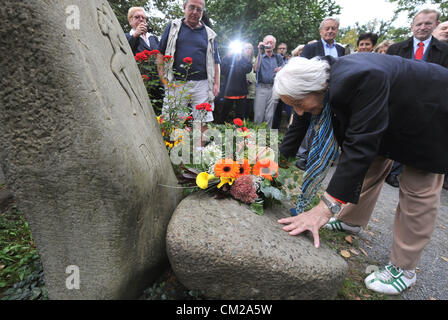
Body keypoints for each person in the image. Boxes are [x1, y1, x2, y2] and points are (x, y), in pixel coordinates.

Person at [275, 54, 448, 295]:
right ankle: (350, 220)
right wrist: (278, 163)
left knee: (419, 184)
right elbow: (299, 124)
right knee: (372, 163)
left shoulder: (358, 78)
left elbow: (359, 146)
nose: (299, 112)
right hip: (394, 110)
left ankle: (404, 268)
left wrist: (324, 208)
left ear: (316, 89)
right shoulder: (319, 79)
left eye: (298, 104)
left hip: (432, 111)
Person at [385, 9, 448, 187]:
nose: (422, 28)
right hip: (398, 104)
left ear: (435, 25)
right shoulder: (396, 49)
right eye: (418, 24)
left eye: (428, 24)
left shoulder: (444, 51)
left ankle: (400, 174)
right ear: (412, 26)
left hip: (429, 109)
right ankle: (392, 171)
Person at [156, 0, 221, 124]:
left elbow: (216, 61)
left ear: (202, 12)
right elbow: (160, 53)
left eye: (199, 9)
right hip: (176, 82)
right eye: (192, 7)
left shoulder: (209, 33)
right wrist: (163, 78)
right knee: (172, 119)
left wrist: (216, 84)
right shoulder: (173, 27)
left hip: (202, 83)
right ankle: (171, 144)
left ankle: (198, 144)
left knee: (202, 120)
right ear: (184, 7)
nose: (195, 12)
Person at [294, 17, 345, 170]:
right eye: (327, 28)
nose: (330, 31)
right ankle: (303, 155)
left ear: (337, 30)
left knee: (329, 123)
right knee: (311, 123)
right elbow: (302, 68)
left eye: (333, 28)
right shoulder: (311, 48)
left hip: (334, 91)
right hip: (315, 92)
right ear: (321, 31)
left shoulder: (341, 50)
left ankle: (321, 156)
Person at [215, 44, 253, 123]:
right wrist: (228, 57)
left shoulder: (243, 59)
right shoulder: (226, 58)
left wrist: (240, 59)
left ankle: (238, 132)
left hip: (241, 92)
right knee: (223, 114)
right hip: (228, 91)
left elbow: (248, 68)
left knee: (240, 116)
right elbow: (222, 69)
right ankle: (220, 129)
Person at [253, 35, 284, 127]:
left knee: (270, 116)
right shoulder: (260, 57)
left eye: (271, 43)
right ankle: (257, 138)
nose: (269, 44)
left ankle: (267, 139)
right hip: (261, 88)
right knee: (259, 115)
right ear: (264, 44)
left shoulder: (278, 58)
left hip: (274, 88)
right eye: (267, 42)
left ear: (274, 45)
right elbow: (255, 69)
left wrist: (281, 69)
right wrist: (259, 51)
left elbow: (285, 69)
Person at [244, 43, 257, 121]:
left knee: (251, 108)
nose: (248, 50)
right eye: (246, 48)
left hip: (253, 87)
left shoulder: (255, 59)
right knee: (243, 108)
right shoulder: (240, 59)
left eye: (250, 48)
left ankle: (251, 124)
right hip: (242, 87)